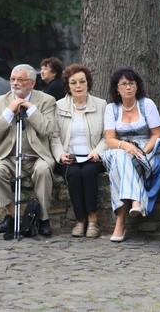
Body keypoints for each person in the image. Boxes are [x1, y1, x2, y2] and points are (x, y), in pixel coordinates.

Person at [0, 64, 56, 237]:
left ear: (32, 83)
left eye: (20, 80)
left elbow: (47, 129)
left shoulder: (46, 100)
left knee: (44, 170)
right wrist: (9, 112)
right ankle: (12, 215)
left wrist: (30, 109)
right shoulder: (0, 101)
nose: (15, 83)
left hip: (35, 156)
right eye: (13, 79)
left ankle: (43, 219)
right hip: (9, 156)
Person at [103, 68, 160, 242]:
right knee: (120, 157)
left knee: (119, 168)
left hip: (145, 149)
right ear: (117, 88)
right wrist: (126, 146)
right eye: (123, 84)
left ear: (137, 86)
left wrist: (143, 151)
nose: (128, 87)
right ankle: (137, 200)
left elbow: (156, 134)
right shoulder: (111, 109)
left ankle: (120, 223)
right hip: (118, 149)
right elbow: (110, 140)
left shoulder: (147, 104)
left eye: (131, 83)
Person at [50, 64, 107, 238]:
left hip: (93, 156)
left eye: (82, 81)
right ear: (67, 86)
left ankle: (93, 220)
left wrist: (97, 152)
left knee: (89, 172)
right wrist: (60, 154)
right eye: (73, 82)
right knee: (74, 174)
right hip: (70, 156)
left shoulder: (101, 104)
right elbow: (54, 136)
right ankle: (80, 220)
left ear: (88, 83)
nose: (78, 86)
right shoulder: (58, 106)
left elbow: (107, 136)